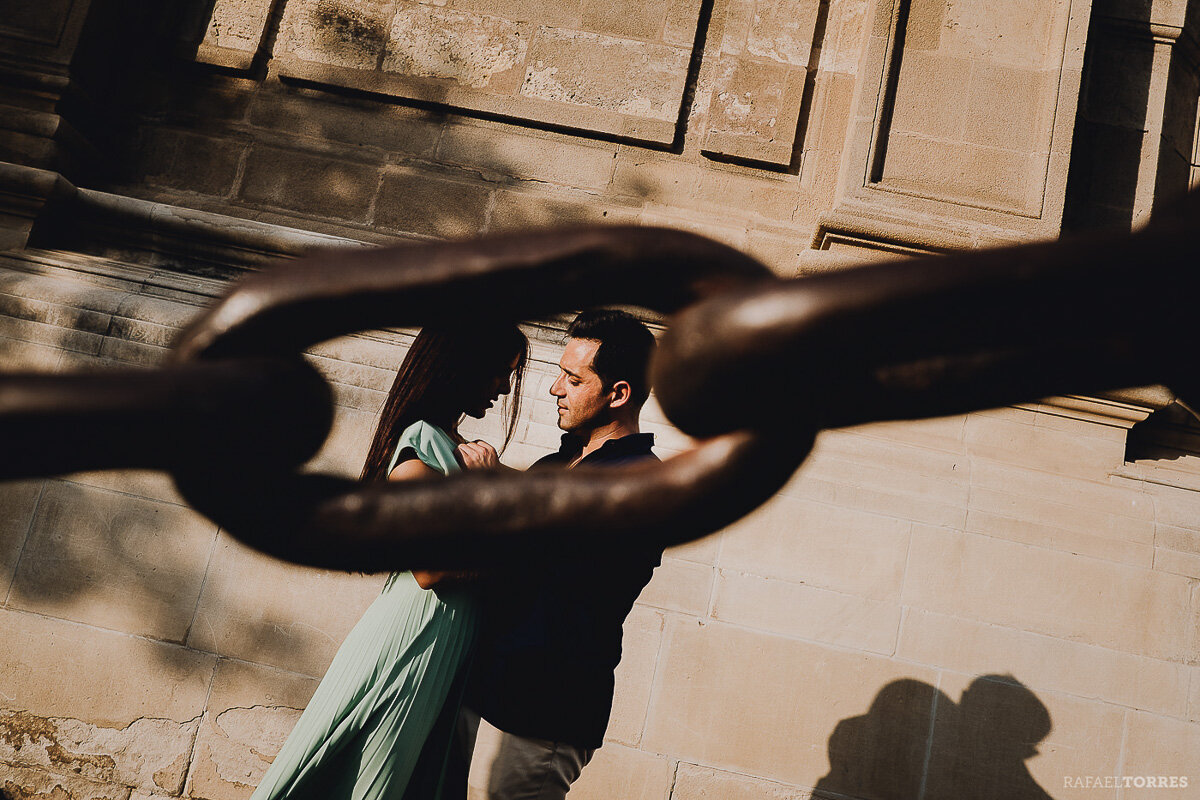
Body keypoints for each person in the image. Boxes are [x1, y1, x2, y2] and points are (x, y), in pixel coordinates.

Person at [251, 321, 528, 800]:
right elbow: (430, 568)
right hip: (413, 640)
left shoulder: (458, 446)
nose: (503, 388)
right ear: (462, 368)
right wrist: (489, 500)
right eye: (499, 372)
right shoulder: (420, 443)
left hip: (445, 641)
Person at [459, 309, 662, 800]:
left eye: (573, 378)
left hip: (546, 710)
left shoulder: (643, 483)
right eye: (559, 374)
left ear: (618, 394)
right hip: (485, 685)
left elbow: (557, 560)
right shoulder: (558, 461)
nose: (556, 389)